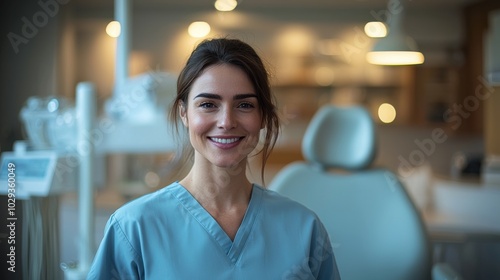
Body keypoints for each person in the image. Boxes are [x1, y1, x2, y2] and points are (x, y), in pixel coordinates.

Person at [87, 38, 340, 279]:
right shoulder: (134, 228)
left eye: (244, 105)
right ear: (184, 113)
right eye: (208, 104)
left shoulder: (304, 229)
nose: (227, 122)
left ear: (263, 116)